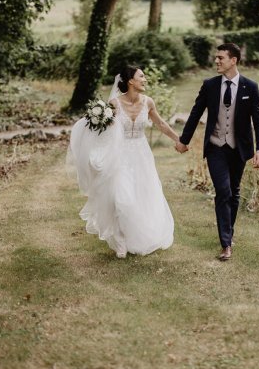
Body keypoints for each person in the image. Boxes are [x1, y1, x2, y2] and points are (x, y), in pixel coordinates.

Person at [68, 66, 182, 258]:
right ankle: (120, 239)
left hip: (142, 155)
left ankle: (139, 234)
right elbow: (102, 131)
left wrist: (179, 139)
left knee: (143, 194)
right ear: (130, 81)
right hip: (119, 155)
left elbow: (161, 124)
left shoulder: (148, 102)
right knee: (121, 197)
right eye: (142, 76)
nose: (145, 80)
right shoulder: (114, 104)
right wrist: (96, 151)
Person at [175, 43, 259, 261]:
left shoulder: (249, 87)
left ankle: (229, 232)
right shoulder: (210, 85)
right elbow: (196, 113)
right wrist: (183, 140)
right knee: (224, 191)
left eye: (221, 58)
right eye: (216, 58)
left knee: (234, 192)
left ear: (233, 60)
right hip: (216, 147)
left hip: (239, 149)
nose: (216, 61)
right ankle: (226, 244)